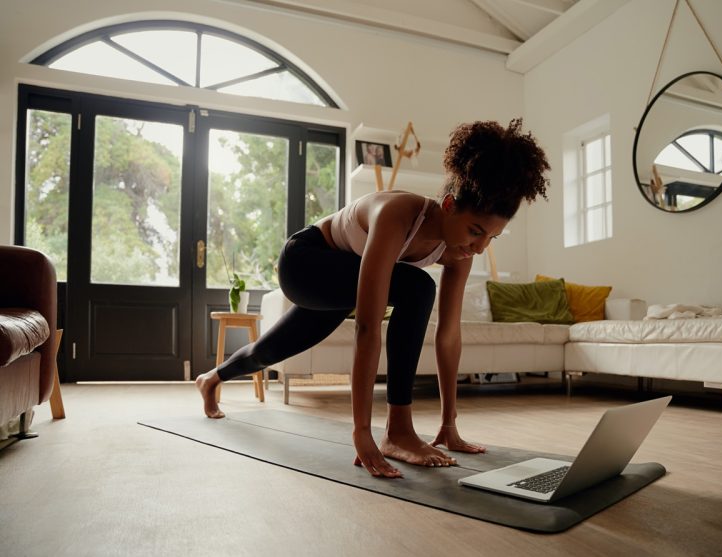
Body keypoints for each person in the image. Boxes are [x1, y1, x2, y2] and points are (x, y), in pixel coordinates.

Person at [196, 118, 550, 478]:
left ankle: (211, 378)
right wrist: (362, 433)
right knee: (418, 287)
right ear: (447, 205)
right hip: (306, 263)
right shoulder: (397, 215)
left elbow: (449, 335)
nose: (479, 246)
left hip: (344, 277)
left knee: (269, 351)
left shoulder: (459, 250)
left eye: (492, 238)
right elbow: (368, 326)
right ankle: (397, 432)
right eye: (475, 231)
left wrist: (449, 424)